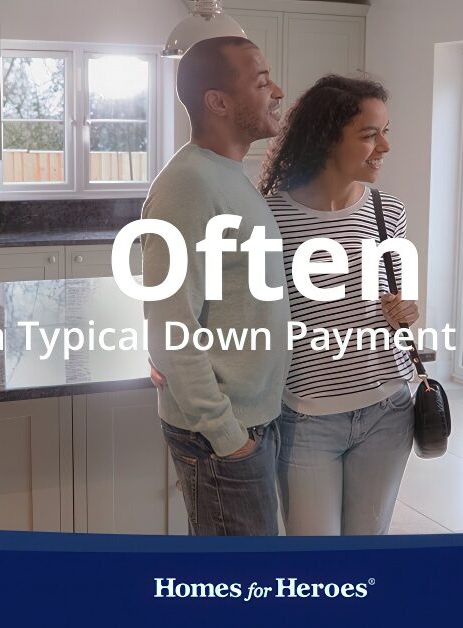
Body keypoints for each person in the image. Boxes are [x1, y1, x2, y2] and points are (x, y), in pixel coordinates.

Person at [259, 75, 420, 535]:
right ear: (327, 138)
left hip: (389, 409)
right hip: (307, 417)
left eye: (386, 131)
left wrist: (406, 311)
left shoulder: (388, 210)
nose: (385, 145)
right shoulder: (271, 215)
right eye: (370, 135)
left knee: (366, 552)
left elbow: (402, 302)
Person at [142, 36, 289, 536]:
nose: (279, 92)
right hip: (223, 434)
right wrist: (227, 435)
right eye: (263, 81)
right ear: (218, 102)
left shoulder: (229, 175)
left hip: (251, 421)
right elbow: (170, 323)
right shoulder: (189, 184)